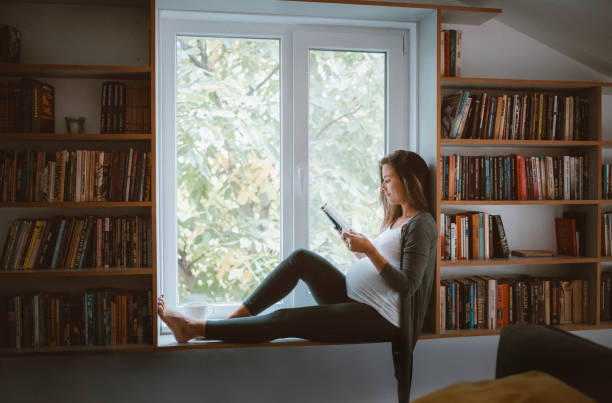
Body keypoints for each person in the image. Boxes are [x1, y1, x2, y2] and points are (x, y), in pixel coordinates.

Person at [158, 150, 437, 403]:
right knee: (301, 259)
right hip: (357, 300)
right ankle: (236, 321)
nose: (383, 187)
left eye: (388, 180)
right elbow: (386, 265)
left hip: (380, 317)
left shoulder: (421, 223)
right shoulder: (397, 218)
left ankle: (192, 328)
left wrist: (369, 250)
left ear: (409, 180)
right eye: (383, 180)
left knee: (284, 320)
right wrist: (359, 251)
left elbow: (408, 285)